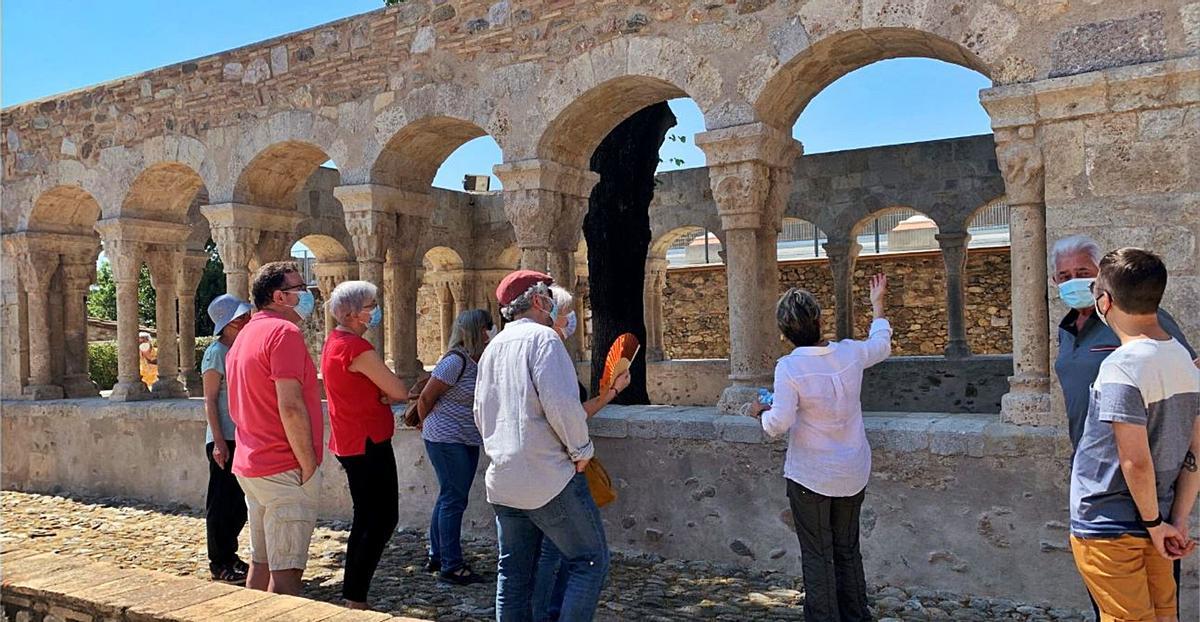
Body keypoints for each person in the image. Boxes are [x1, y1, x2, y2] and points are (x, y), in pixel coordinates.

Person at [1049, 235, 1196, 620]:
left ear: (1104, 287)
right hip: (1108, 483)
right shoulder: (1068, 329)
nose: (1074, 281)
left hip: (1132, 497)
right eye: (1064, 275)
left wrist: (1162, 517)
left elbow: (1140, 455)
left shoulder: (1136, 333)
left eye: (1083, 272)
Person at [749, 274, 891, 622]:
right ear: (819, 319)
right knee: (847, 550)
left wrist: (760, 413)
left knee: (817, 554)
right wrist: (877, 305)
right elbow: (881, 345)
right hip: (852, 471)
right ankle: (856, 616)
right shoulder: (849, 353)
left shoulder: (789, 367)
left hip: (810, 476)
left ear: (784, 333)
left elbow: (779, 424)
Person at [474, 270, 609, 622]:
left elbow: (480, 411)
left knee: (514, 574)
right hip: (548, 476)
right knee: (588, 560)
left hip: (504, 477)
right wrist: (581, 452)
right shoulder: (544, 339)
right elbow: (562, 406)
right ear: (538, 300)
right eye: (548, 296)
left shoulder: (492, 348)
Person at [532, 284, 630, 622]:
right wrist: (582, 450)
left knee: (538, 557)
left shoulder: (527, 351)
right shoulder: (548, 351)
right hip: (560, 467)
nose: (572, 319)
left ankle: (544, 612)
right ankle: (552, 613)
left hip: (530, 467)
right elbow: (568, 413)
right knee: (588, 558)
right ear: (550, 313)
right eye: (566, 312)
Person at [227, 262, 324, 596]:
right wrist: (308, 465)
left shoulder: (244, 335)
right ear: (280, 297)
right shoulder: (284, 333)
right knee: (287, 574)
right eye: (300, 289)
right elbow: (291, 406)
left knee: (262, 562)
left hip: (252, 463)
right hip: (283, 466)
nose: (307, 294)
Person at [320, 281, 411, 609]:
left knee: (367, 518)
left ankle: (354, 592)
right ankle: (356, 596)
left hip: (351, 440)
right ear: (352, 314)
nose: (375, 311)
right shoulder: (356, 348)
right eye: (370, 306)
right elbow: (398, 390)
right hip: (367, 441)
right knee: (381, 519)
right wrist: (388, 393)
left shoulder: (335, 342)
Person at [417, 308, 494, 586]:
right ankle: (451, 565)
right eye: (487, 327)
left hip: (464, 437)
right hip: (446, 438)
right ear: (476, 330)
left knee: (449, 496)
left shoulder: (476, 360)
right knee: (454, 499)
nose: (490, 332)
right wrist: (426, 425)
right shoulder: (455, 361)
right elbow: (426, 398)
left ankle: (438, 555)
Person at [201, 294, 253, 584]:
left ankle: (229, 556)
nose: (247, 320)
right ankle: (219, 562)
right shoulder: (216, 352)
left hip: (241, 435)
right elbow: (210, 399)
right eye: (242, 317)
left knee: (238, 502)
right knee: (222, 502)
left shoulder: (238, 348)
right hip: (224, 437)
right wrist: (219, 442)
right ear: (229, 323)